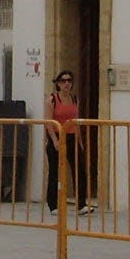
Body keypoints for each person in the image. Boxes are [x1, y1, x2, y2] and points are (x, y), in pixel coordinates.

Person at [43, 70, 93, 216]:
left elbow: (75, 121)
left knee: (80, 170)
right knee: (54, 172)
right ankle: (53, 205)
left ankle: (81, 204)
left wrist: (80, 141)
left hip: (72, 136)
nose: (66, 84)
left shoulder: (75, 99)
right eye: (63, 81)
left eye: (69, 81)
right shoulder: (52, 100)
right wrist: (54, 140)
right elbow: (48, 121)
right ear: (58, 83)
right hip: (57, 135)